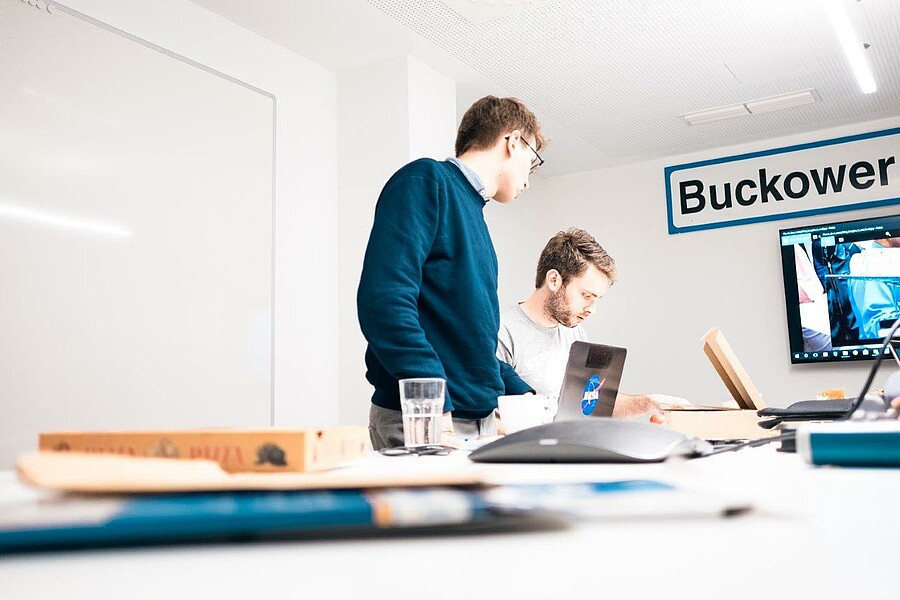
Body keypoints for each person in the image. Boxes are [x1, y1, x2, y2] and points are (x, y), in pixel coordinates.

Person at [358, 95, 545, 450]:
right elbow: (384, 302)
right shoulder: (426, 181)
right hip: (426, 418)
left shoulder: (476, 218)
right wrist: (433, 403)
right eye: (532, 162)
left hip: (478, 421)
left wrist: (527, 397)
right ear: (513, 141)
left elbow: (470, 345)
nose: (528, 180)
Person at [496, 228, 678, 424]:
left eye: (596, 299)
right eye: (586, 296)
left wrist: (647, 403)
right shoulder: (502, 332)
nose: (592, 309)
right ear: (554, 280)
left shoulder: (574, 333)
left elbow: (592, 404)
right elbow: (488, 420)